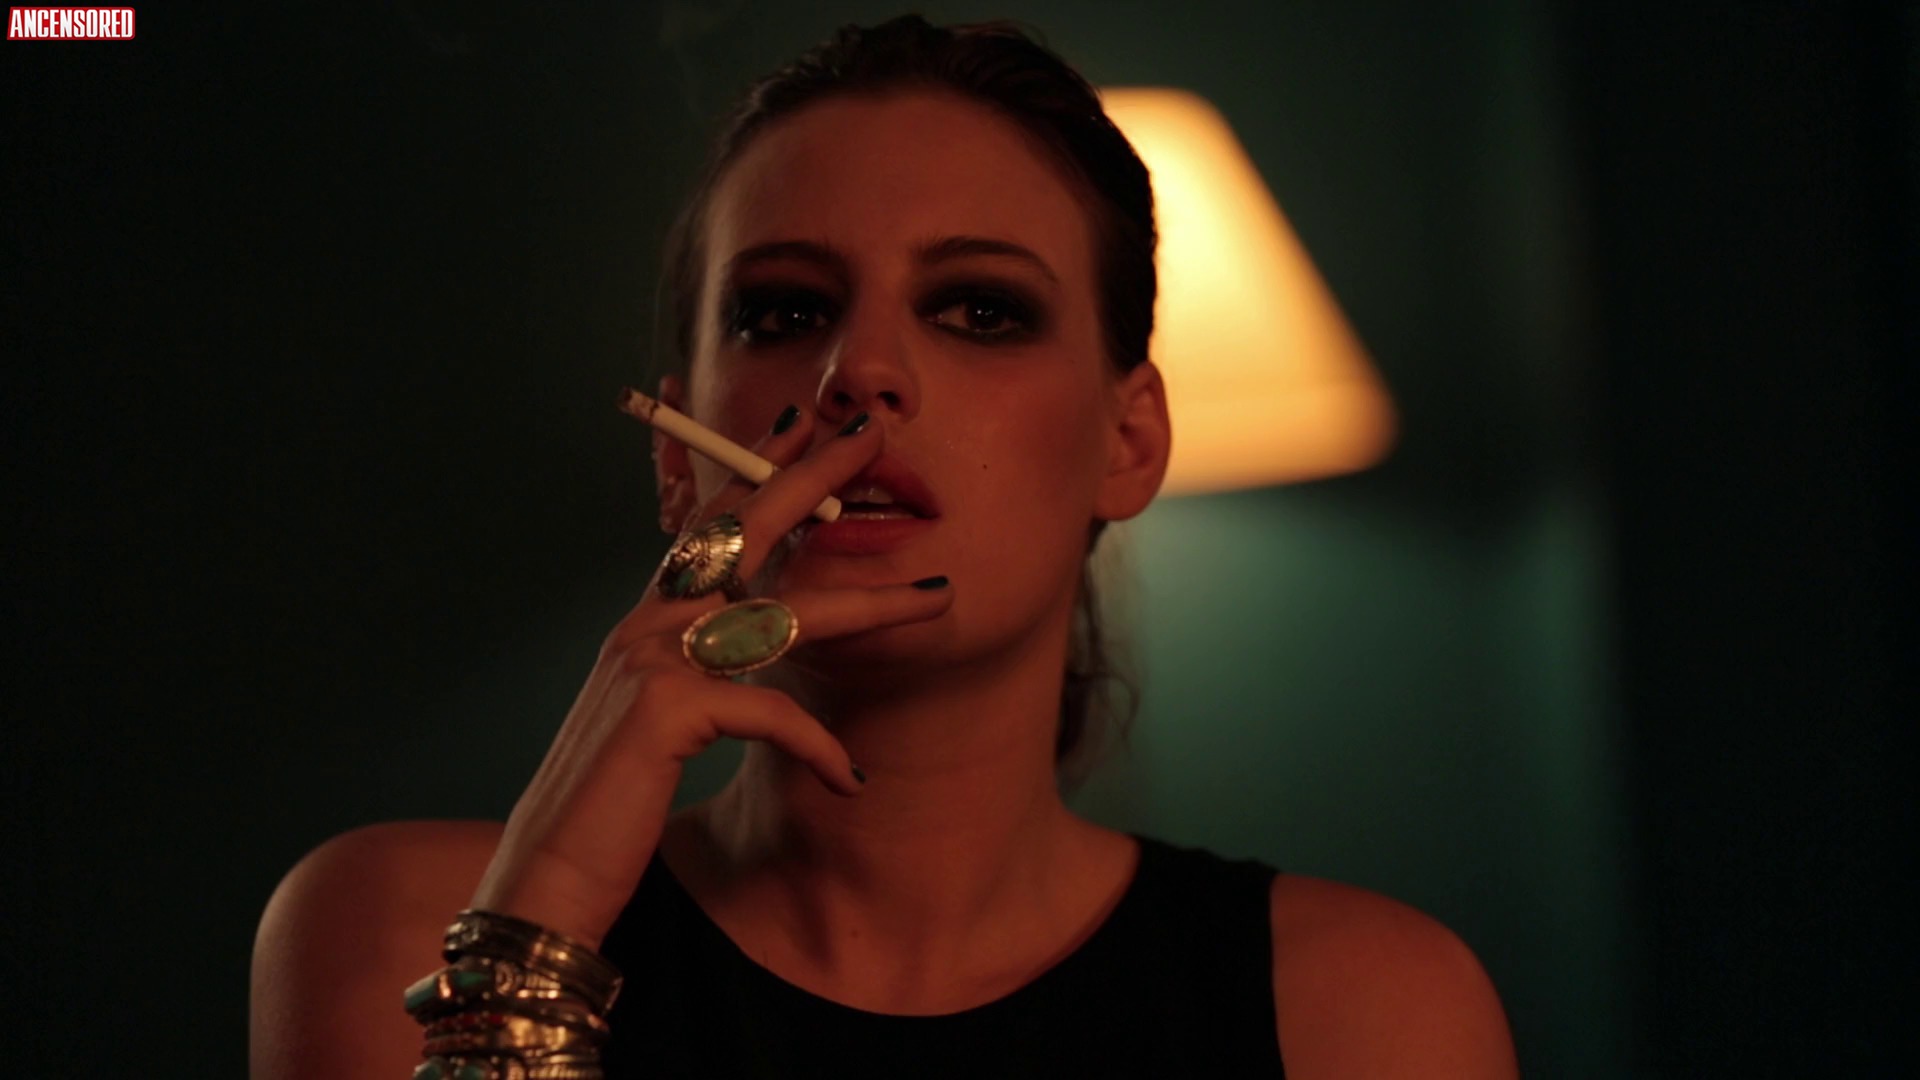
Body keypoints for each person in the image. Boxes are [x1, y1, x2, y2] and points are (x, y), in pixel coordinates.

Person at [250, 16, 1517, 1078]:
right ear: (680, 457)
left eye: (980, 309)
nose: (859, 372)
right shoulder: (412, 929)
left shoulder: (1363, 1011)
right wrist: (531, 946)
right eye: (784, 311)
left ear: (1129, 442)